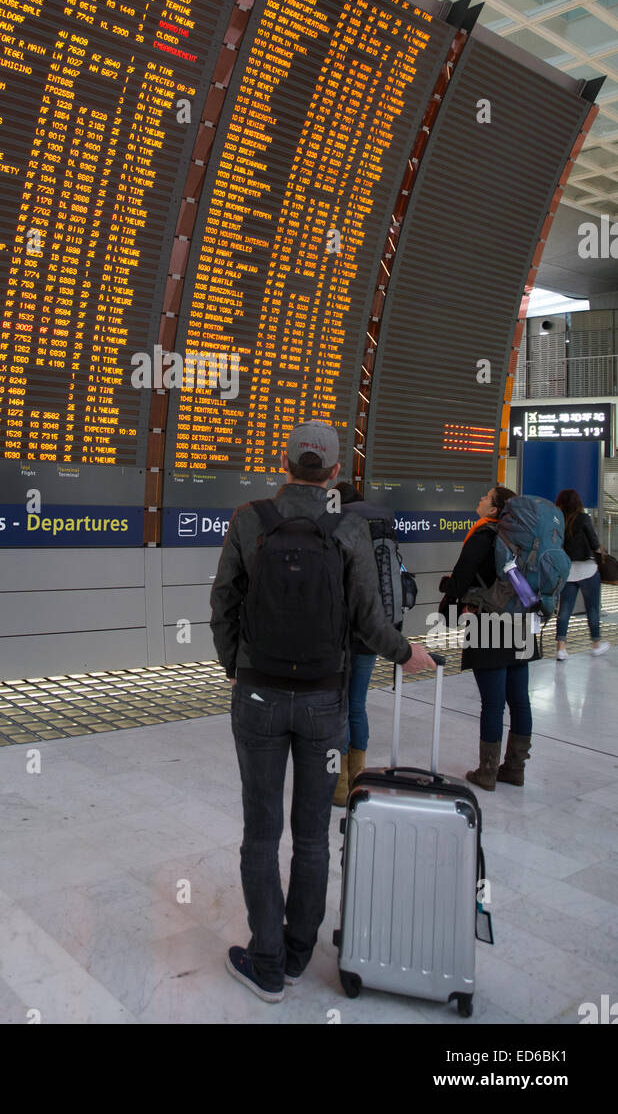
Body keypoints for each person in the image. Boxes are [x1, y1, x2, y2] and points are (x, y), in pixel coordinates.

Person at [210, 420, 436, 1002]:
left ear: (284, 465)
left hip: (257, 697)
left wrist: (234, 663)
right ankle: (296, 953)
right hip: (324, 703)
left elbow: (223, 600)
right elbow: (368, 620)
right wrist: (407, 652)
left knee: (260, 834)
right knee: (312, 835)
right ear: (336, 472)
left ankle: (263, 963)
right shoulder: (348, 529)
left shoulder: (249, 518)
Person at [438, 484, 532, 790]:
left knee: (492, 703)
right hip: (521, 620)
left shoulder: (483, 536)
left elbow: (461, 577)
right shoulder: (524, 538)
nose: (480, 499)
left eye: (485, 497)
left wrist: (448, 606)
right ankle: (515, 769)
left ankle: (488, 772)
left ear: (494, 510)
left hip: (488, 622)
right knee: (519, 700)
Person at [330, 480, 402, 805]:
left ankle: (339, 785)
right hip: (375, 627)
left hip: (342, 630)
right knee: (356, 703)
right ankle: (358, 778)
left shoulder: (341, 526)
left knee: (339, 705)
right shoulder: (384, 526)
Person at [554, 489, 610, 660]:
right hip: (588, 570)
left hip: (568, 571)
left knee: (564, 610)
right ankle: (596, 644)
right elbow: (593, 542)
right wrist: (601, 550)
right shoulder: (584, 518)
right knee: (592, 609)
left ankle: (561, 649)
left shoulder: (558, 520)